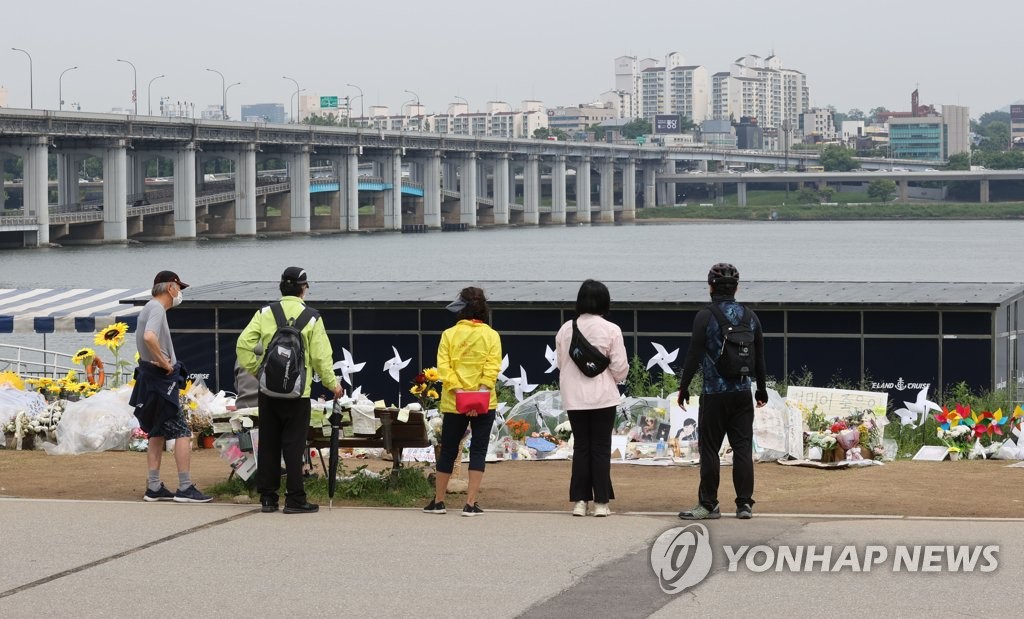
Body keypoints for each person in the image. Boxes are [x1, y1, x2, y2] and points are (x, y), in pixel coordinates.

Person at [236, 267, 343, 514]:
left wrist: (257, 372)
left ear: (281, 287)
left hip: (268, 392)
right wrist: (332, 385)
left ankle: (268, 499)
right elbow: (321, 357)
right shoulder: (313, 317)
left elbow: (243, 344)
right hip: (298, 394)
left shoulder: (265, 312)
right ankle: (295, 498)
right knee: (294, 445)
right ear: (303, 289)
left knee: (269, 443)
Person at [677, 263, 767, 521]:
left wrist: (684, 388)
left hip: (714, 394)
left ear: (710, 287)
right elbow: (759, 356)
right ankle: (744, 505)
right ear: (736, 288)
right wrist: (760, 389)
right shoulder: (750, 316)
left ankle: (708, 505)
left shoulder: (705, 316)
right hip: (742, 393)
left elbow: (694, 354)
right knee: (742, 449)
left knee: (709, 450)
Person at [129, 270, 211, 504]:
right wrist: (166, 364)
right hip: (160, 380)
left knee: (156, 431)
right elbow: (149, 337)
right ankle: (185, 487)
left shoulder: (148, 308)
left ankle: (154, 486)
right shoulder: (156, 308)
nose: (180, 293)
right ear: (169, 288)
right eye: (179, 288)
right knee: (182, 431)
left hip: (150, 377)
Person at [422, 286, 502, 517]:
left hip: (454, 402)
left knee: (448, 450)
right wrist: (478, 398)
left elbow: (445, 369)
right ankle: (470, 503)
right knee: (478, 449)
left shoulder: (449, 334)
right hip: (485, 402)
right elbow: (492, 368)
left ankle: (438, 501)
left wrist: (461, 395)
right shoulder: (491, 335)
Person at [554, 279, 629, 517]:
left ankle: (579, 502)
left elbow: (560, 362)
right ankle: (601, 504)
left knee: (582, 448)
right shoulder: (611, 329)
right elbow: (620, 367)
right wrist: (612, 378)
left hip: (574, 397)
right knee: (600, 448)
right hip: (603, 396)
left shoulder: (566, 329)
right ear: (604, 301)